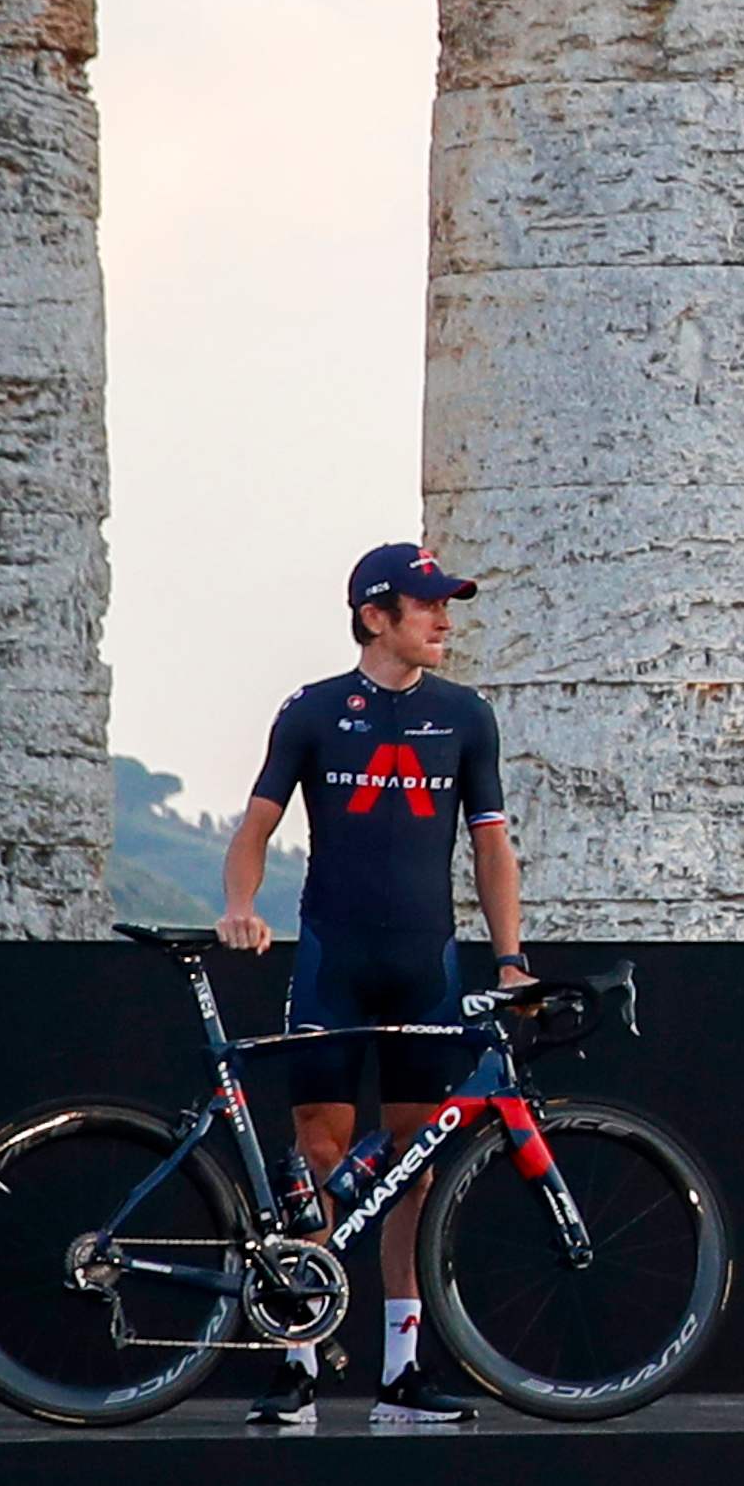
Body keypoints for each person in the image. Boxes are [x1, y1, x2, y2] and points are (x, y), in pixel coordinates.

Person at [216, 543, 525, 1430]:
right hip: (333, 959)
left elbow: (492, 847)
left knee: (411, 1167)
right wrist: (239, 904)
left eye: (447, 604)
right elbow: (257, 822)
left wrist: (508, 957)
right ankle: (298, 1360)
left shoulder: (466, 715)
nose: (445, 620)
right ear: (374, 616)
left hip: (424, 961)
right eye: (428, 605)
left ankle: (400, 1369)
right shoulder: (312, 711)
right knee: (318, 1159)